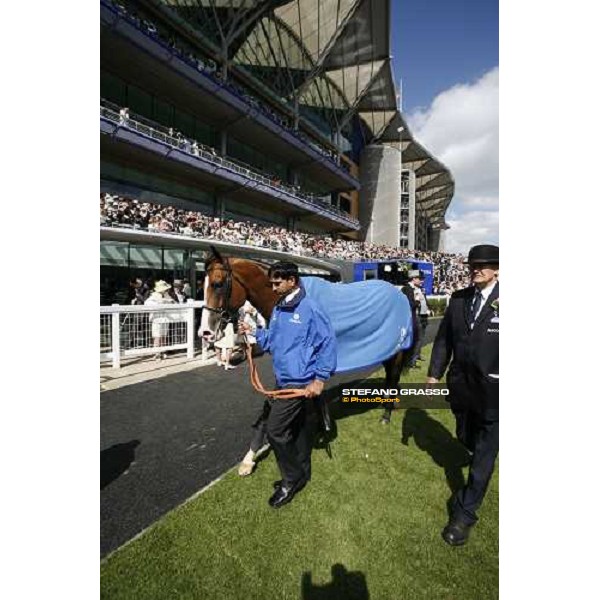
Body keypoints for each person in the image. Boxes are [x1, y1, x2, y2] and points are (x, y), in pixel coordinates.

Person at [238, 261, 337, 508]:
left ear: (292, 281)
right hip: (283, 379)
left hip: (300, 383)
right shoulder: (280, 308)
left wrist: (320, 378)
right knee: (302, 431)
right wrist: (253, 333)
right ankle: (302, 474)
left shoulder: (311, 308)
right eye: (271, 282)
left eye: (277, 282)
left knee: (276, 431)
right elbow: (272, 341)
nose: (272, 287)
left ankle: (290, 479)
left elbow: (328, 343)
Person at [426, 244, 499, 546]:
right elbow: (444, 341)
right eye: (472, 265)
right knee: (466, 438)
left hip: (496, 393)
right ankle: (472, 446)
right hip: (461, 389)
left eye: (484, 265)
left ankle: (464, 514)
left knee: (484, 453)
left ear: (498, 269)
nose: (476, 269)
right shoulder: (458, 300)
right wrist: (434, 373)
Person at [145, 280, 176, 360]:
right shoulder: (153, 296)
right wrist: (161, 303)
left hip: (165, 318)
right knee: (157, 336)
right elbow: (147, 304)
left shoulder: (167, 295)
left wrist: (170, 302)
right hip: (157, 318)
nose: (166, 290)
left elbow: (173, 303)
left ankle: (163, 351)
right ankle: (157, 353)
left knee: (163, 336)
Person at [401, 270, 422, 369]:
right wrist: (417, 301)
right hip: (410, 318)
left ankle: (409, 362)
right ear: (414, 279)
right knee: (414, 340)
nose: (421, 281)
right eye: (419, 278)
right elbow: (411, 305)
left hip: (412, 317)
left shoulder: (410, 288)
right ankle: (409, 362)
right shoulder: (408, 289)